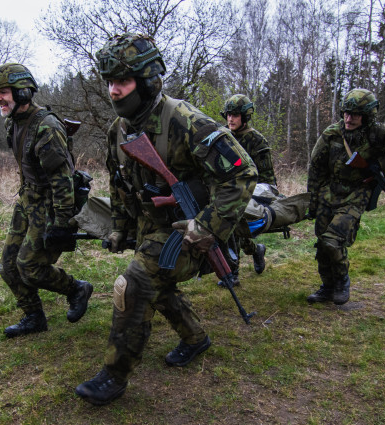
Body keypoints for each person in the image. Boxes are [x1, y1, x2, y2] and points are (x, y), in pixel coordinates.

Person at [75, 33, 258, 406]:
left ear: (147, 80)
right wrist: (119, 229)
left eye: (122, 82)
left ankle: (114, 374)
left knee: (136, 281)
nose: (113, 91)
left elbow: (242, 174)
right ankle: (195, 338)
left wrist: (207, 227)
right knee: (155, 282)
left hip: (194, 230)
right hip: (152, 227)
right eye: (109, 82)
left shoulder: (186, 122)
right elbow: (120, 183)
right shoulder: (119, 131)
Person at [0, 63, 93, 338]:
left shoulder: (46, 127)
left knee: (30, 266)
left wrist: (61, 224)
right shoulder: (15, 123)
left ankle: (77, 289)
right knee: (8, 266)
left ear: (23, 93)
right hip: (27, 202)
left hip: (50, 206)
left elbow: (62, 180)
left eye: (3, 92)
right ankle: (33, 316)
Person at [306, 88, 385, 305]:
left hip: (356, 193)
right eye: (346, 113)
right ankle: (327, 287)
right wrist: (313, 200)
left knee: (333, 240)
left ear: (367, 116)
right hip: (329, 193)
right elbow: (315, 168)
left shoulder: (378, 133)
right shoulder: (332, 134)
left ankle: (342, 281)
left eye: (356, 115)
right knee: (322, 243)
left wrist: (377, 164)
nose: (349, 119)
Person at [221, 94, 277, 277]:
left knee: (234, 228)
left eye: (235, 115)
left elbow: (267, 176)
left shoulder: (257, 140)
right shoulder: (222, 136)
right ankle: (256, 251)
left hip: (250, 193)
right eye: (229, 114)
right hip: (225, 191)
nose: (231, 119)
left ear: (245, 116)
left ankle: (232, 272)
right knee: (228, 229)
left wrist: (268, 200)